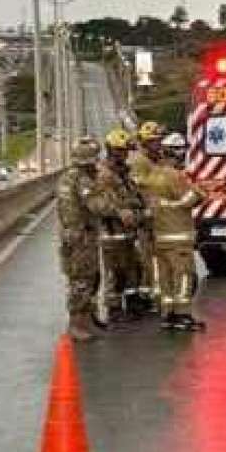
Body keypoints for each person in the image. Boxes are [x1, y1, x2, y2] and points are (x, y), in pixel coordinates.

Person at [53, 137, 112, 341]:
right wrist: (105, 190)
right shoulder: (82, 180)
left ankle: (86, 321)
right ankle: (76, 325)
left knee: (87, 278)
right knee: (82, 281)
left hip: (72, 235)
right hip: (81, 238)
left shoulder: (65, 177)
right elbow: (98, 206)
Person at [148, 131, 206, 331]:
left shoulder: (154, 174)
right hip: (177, 236)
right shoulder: (174, 176)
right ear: (178, 153)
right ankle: (182, 314)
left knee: (165, 277)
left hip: (160, 236)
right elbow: (188, 200)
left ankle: (168, 313)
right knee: (183, 275)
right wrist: (199, 192)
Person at [98, 129, 148, 322]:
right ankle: (114, 307)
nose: (125, 154)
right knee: (115, 272)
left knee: (133, 267)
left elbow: (133, 198)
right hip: (112, 232)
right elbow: (106, 204)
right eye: (121, 151)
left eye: (126, 151)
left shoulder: (124, 174)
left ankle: (133, 302)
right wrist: (122, 212)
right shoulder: (105, 175)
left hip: (128, 232)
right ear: (111, 151)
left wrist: (140, 210)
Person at [129, 121, 167, 310]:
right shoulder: (139, 162)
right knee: (148, 258)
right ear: (144, 142)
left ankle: (152, 293)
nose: (157, 144)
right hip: (147, 217)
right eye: (153, 141)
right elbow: (139, 188)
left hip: (160, 216)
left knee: (157, 257)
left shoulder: (158, 159)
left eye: (159, 140)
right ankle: (149, 296)